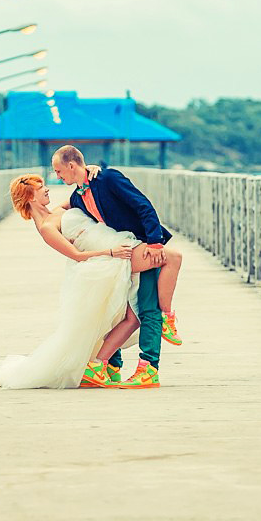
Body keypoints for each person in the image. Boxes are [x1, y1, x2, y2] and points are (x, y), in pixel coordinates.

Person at [0, 174, 171, 390]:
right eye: (41, 188)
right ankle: (104, 365)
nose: (47, 189)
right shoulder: (46, 229)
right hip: (103, 261)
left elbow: (81, 192)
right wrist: (110, 252)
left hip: (113, 256)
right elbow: (76, 255)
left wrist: (91, 172)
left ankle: (107, 368)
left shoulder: (59, 210)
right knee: (126, 314)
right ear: (30, 196)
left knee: (115, 316)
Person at [52, 145, 182, 389]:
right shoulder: (78, 196)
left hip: (144, 245)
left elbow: (143, 205)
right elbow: (59, 210)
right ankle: (110, 366)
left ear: (72, 165)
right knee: (119, 310)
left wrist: (154, 242)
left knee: (148, 307)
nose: (58, 177)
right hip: (123, 251)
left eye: (59, 171)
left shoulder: (108, 178)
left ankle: (149, 368)